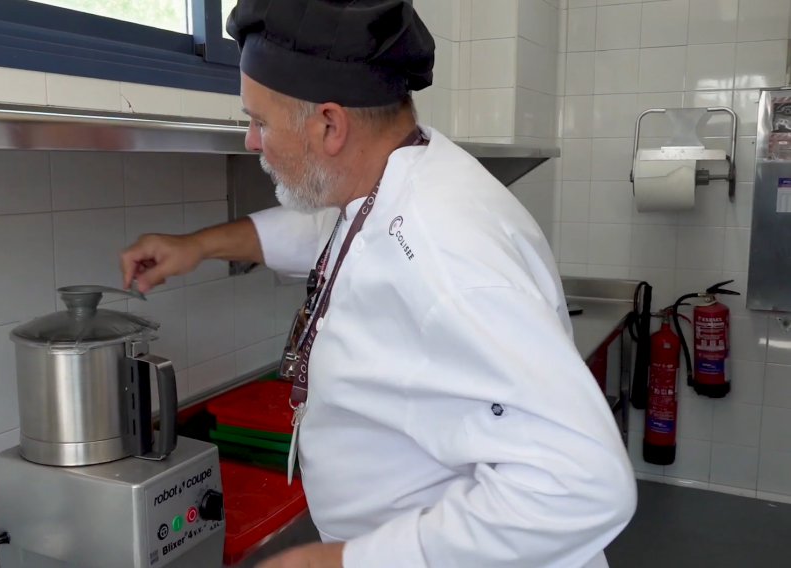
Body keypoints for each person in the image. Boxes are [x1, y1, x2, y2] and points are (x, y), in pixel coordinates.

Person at [120, 1, 638, 566]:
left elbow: (583, 484)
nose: (251, 140)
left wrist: (342, 561)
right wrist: (195, 247)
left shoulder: (447, 258)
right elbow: (323, 231)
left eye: (261, 121)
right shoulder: (393, 177)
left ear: (330, 124)